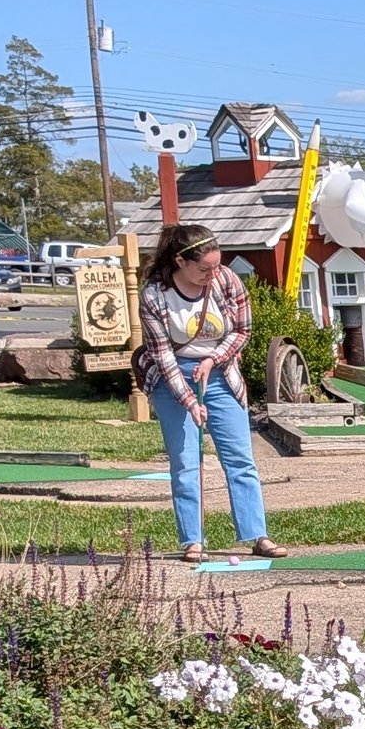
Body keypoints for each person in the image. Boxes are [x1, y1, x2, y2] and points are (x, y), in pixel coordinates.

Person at [137, 225, 285, 565]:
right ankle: (193, 540)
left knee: (240, 459)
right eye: (204, 269)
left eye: (216, 266)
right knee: (186, 462)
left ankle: (257, 535)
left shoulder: (226, 281)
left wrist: (213, 359)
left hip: (221, 375)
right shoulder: (154, 295)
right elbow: (162, 355)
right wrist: (189, 401)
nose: (212, 274)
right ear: (180, 261)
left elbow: (242, 331)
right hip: (171, 379)